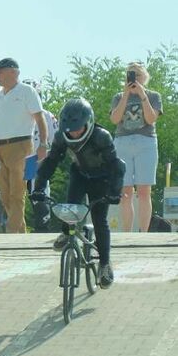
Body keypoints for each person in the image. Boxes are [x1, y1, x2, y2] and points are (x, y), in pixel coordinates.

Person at [30, 98, 124, 287]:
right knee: (70, 208)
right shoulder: (61, 137)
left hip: (102, 178)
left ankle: (105, 265)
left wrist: (115, 192)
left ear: (88, 122)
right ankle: (67, 233)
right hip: (80, 174)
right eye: (69, 129)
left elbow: (117, 166)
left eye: (78, 128)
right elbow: (50, 163)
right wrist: (38, 187)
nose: (74, 133)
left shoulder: (102, 136)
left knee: (100, 220)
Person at [0, 58, 48, 233]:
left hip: (23, 146)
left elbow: (40, 119)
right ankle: (21, 234)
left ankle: (10, 237)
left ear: (13, 72)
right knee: (5, 195)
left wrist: (43, 144)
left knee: (17, 194)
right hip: (1, 148)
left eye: (0, 72)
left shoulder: (27, 91)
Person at [109, 61, 163, 232]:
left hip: (145, 142)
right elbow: (115, 119)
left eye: (137, 75)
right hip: (122, 142)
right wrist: (126, 94)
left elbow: (151, 118)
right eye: (130, 75)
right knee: (125, 192)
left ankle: (144, 232)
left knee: (144, 190)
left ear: (144, 77)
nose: (133, 78)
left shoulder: (153, 96)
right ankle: (126, 232)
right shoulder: (118, 96)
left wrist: (142, 94)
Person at [22, 80, 59, 229]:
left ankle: (42, 231)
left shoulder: (47, 117)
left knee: (40, 201)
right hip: (16, 162)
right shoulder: (14, 116)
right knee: (12, 203)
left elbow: (57, 142)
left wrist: (45, 160)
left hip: (36, 161)